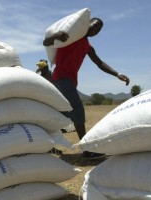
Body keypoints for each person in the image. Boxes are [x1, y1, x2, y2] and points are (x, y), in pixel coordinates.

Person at [43, 17, 130, 159]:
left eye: (99, 29)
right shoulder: (69, 37)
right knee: (77, 110)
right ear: (86, 24)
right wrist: (56, 36)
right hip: (61, 79)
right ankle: (87, 149)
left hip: (68, 81)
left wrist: (117, 74)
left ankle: (44, 145)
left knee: (62, 116)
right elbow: (46, 42)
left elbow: (99, 63)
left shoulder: (88, 46)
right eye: (94, 26)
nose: (96, 30)